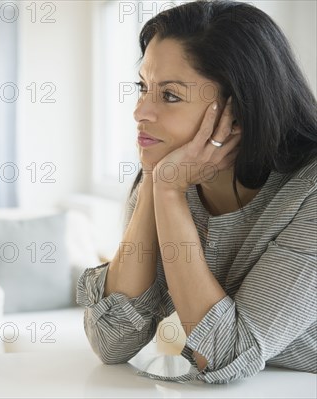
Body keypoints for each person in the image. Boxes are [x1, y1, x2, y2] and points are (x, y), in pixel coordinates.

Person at [77, 0, 316, 384]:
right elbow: (112, 340)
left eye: (169, 95)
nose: (140, 111)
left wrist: (168, 191)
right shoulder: (166, 171)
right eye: (143, 87)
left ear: (235, 113)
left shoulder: (308, 193)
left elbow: (224, 355)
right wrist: (161, 184)